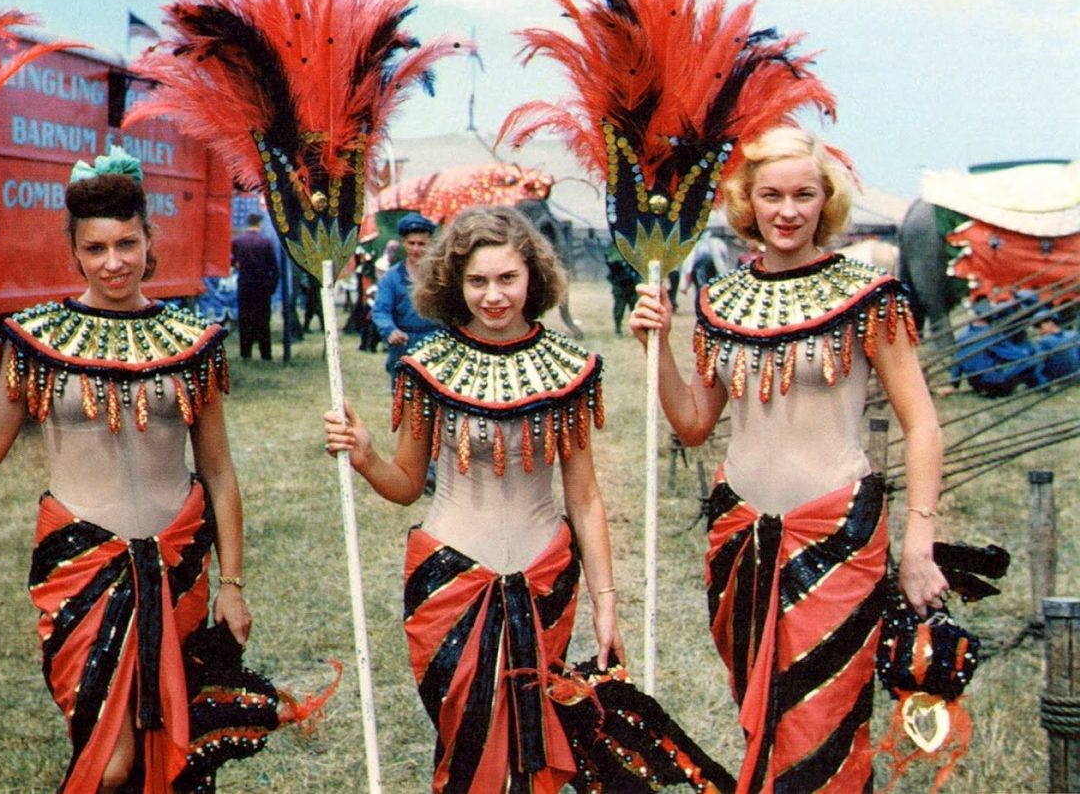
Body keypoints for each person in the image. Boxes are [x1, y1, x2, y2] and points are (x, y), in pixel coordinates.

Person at [0, 149, 263, 793]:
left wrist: (231, 582)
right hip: (80, 569)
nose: (113, 262)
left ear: (151, 241)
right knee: (110, 757)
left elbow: (220, 474)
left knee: (171, 753)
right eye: (96, 249)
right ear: (75, 250)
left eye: (127, 243)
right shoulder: (34, 339)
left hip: (176, 567)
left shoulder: (191, 341)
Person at [629, 126, 949, 793]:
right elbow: (692, 424)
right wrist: (657, 345)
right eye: (771, 195)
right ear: (747, 201)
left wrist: (918, 542)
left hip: (837, 536)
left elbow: (922, 426)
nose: (787, 210)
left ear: (824, 201)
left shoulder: (869, 294)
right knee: (766, 724)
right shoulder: (721, 300)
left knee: (820, 730)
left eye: (804, 194)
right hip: (740, 537)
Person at [324, 206, 626, 792]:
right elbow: (408, 484)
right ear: (454, 284)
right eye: (478, 281)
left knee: (535, 755)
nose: (493, 295)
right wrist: (364, 456)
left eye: (507, 279)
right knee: (468, 753)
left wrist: (605, 600)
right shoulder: (426, 367)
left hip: (546, 582)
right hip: (451, 585)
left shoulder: (570, 368)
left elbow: (584, 497)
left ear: (532, 278)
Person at [371, 212, 441, 379]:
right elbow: (381, 311)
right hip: (404, 344)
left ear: (431, 243)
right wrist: (391, 330)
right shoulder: (391, 277)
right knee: (405, 400)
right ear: (404, 243)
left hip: (437, 343)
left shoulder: (441, 275)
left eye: (422, 244)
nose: (416, 249)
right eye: (412, 243)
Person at [951, 294, 1046, 396]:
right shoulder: (991, 336)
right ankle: (1041, 387)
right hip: (992, 383)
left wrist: (954, 385)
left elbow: (956, 364)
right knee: (1031, 361)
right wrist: (1029, 351)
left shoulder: (962, 336)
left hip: (974, 383)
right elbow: (1016, 356)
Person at [232, 212, 281, 360]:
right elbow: (274, 268)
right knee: (263, 321)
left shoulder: (238, 241)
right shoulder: (266, 242)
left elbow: (232, 261)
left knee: (245, 319)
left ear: (247, 224)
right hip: (262, 287)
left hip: (245, 286)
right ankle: (265, 354)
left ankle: (245, 353)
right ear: (259, 224)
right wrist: (271, 288)